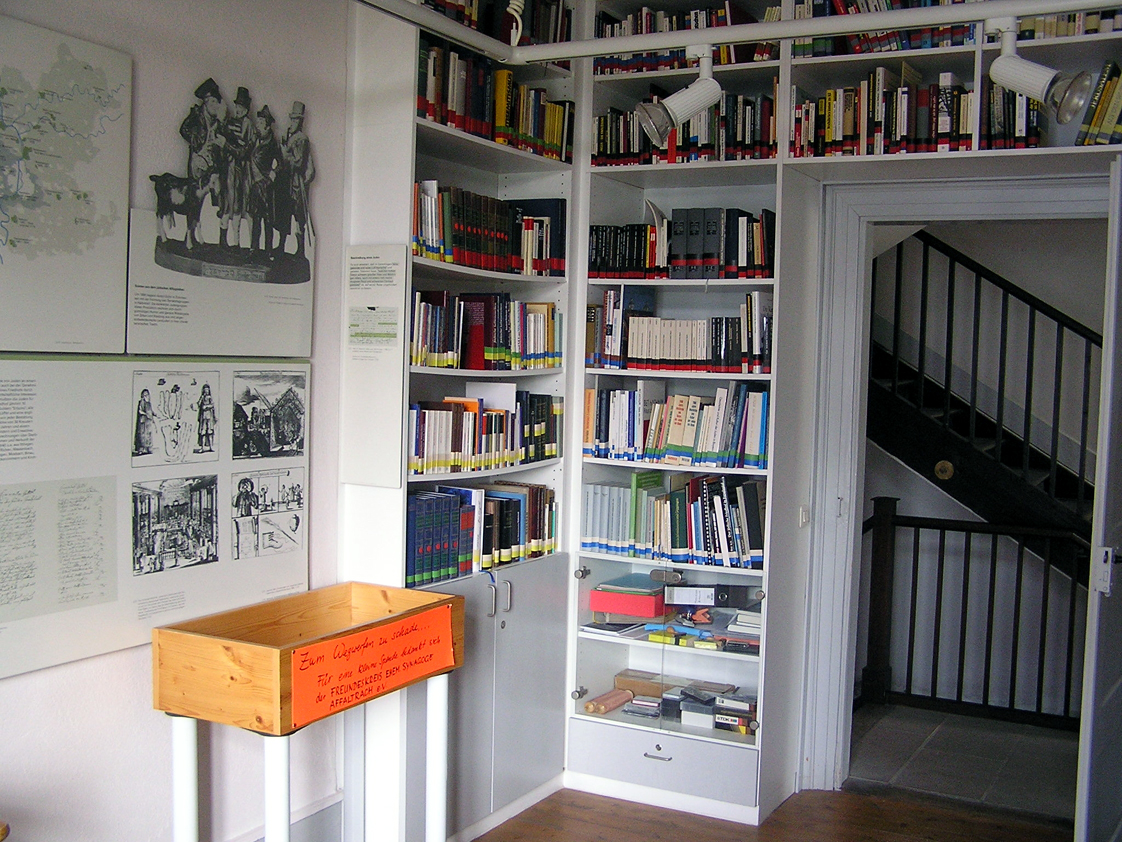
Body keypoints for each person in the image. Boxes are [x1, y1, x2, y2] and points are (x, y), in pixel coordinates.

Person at [179, 78, 226, 230]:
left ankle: (212, 226)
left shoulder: (216, 121)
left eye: (217, 102)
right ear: (206, 102)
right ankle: (191, 231)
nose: (216, 105)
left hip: (211, 162)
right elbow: (183, 130)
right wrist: (195, 141)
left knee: (216, 189)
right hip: (197, 161)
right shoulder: (196, 115)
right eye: (213, 102)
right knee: (194, 197)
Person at [219, 86, 256, 249]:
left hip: (242, 172)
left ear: (246, 109)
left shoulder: (249, 125)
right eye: (237, 106)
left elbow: (245, 151)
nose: (238, 109)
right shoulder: (231, 123)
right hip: (230, 170)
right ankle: (227, 242)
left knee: (241, 206)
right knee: (228, 204)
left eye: (241, 107)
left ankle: (243, 243)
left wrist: (227, 145)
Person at [279, 101, 315, 258]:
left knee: (299, 217)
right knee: (285, 214)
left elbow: (299, 163)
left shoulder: (301, 139)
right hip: (288, 182)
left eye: (296, 120)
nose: (293, 122)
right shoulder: (290, 136)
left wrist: (285, 154)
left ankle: (300, 252)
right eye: (292, 119)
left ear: (300, 122)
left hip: (297, 184)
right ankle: (281, 247)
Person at [248, 105, 281, 255]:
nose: (258, 125)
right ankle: (253, 249)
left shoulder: (272, 143)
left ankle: (268, 251)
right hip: (255, 186)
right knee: (256, 219)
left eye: (261, 123)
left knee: (268, 221)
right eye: (258, 122)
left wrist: (273, 173)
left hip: (266, 186)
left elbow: (280, 163)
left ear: (267, 126)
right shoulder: (256, 140)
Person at [134, 388, 156, 455]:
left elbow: (150, 411)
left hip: (148, 422)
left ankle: (148, 449)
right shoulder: (141, 402)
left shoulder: (149, 403)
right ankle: (141, 449)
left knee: (148, 435)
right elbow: (140, 411)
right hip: (143, 421)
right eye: (144, 395)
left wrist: (154, 414)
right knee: (142, 435)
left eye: (147, 395)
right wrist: (146, 414)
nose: (146, 396)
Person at [195, 382, 216, 453]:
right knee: (203, 432)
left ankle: (210, 447)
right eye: (205, 390)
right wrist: (201, 398)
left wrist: (206, 407)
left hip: (209, 417)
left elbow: (212, 405)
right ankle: (202, 448)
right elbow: (198, 404)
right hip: (203, 417)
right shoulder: (202, 397)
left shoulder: (210, 398)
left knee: (210, 432)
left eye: (207, 390)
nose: (206, 391)